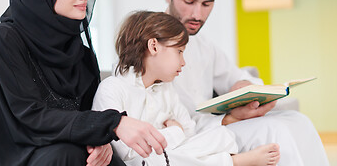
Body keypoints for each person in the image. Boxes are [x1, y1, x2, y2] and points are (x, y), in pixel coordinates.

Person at [0, 0, 166, 166]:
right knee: (67, 155)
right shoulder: (5, 38)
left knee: (105, 158)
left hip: (67, 147)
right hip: (18, 151)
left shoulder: (80, 53)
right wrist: (111, 124)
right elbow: (30, 116)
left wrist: (98, 140)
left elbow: (87, 115)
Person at [162, 0, 329, 166]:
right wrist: (229, 119)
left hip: (216, 124)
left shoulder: (204, 45)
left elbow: (235, 77)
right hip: (194, 134)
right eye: (189, 1)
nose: (197, 15)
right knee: (273, 130)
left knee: (298, 120)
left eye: (207, 4)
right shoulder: (149, 42)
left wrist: (245, 87)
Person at [92, 10, 280, 166]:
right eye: (179, 52)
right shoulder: (112, 89)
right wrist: (174, 132)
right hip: (143, 163)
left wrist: (176, 135)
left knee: (223, 137)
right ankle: (234, 162)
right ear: (154, 46)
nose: (183, 62)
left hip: (171, 154)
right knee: (154, 161)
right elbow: (129, 155)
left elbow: (189, 131)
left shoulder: (166, 89)